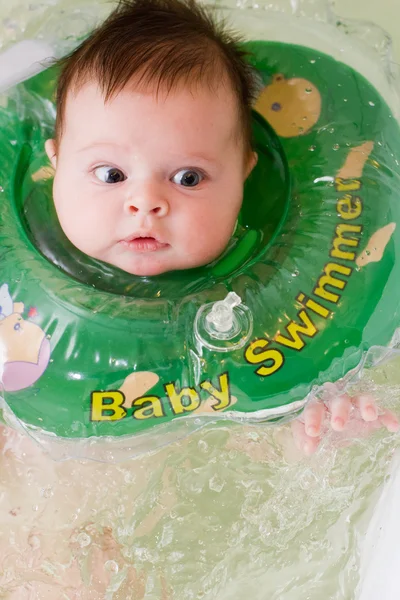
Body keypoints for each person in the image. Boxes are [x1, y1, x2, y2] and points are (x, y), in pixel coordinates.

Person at [44, 0, 398, 452]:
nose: (146, 203)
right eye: (111, 174)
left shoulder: (281, 303)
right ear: (55, 165)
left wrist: (314, 432)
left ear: (244, 176)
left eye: (188, 178)